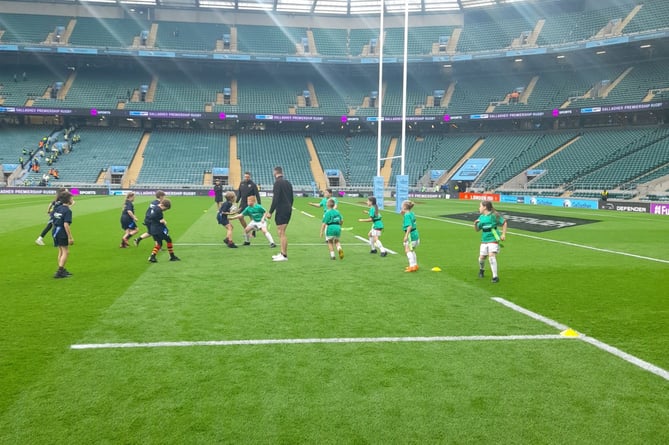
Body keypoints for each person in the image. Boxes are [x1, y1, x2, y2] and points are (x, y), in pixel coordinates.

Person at [474, 200, 507, 283]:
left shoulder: (493, 215)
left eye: (480, 206)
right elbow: (477, 230)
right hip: (484, 240)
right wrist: (475, 224)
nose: (479, 208)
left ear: (484, 207)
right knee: (482, 258)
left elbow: (504, 223)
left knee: (491, 256)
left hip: (493, 238)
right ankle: (482, 270)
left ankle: (495, 277)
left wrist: (503, 234)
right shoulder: (481, 217)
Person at [265, 166, 293, 262]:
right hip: (287, 209)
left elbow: (275, 199)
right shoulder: (288, 183)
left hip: (281, 209)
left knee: (281, 232)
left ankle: (284, 255)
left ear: (275, 172)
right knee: (281, 231)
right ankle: (282, 253)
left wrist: (270, 212)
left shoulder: (277, 183)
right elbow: (291, 198)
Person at [147, 198, 180, 263]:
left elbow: (150, 217)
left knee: (159, 243)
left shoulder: (155, 207)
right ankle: (172, 256)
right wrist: (161, 221)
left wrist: (160, 220)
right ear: (162, 205)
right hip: (158, 229)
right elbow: (153, 217)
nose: (165, 210)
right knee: (169, 240)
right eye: (165, 208)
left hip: (153, 229)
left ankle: (152, 257)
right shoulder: (158, 210)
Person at [52, 190, 74, 278]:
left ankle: (61, 268)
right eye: (71, 198)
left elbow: (53, 219)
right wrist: (70, 237)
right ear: (69, 200)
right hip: (61, 231)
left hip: (55, 230)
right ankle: (60, 271)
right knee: (66, 251)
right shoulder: (68, 211)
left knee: (60, 250)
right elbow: (66, 224)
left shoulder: (58, 208)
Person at [401, 200, 420, 272]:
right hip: (415, 233)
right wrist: (402, 214)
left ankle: (412, 266)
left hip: (410, 235)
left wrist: (406, 236)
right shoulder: (411, 213)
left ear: (405, 207)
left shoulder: (407, 215)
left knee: (407, 250)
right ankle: (415, 265)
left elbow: (409, 226)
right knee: (412, 250)